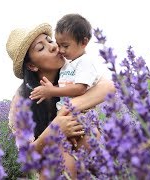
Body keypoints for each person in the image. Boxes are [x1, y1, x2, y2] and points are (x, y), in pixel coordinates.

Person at [6, 22, 115, 179]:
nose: (52, 47)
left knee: (89, 132)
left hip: (89, 161)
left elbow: (109, 86)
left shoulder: (74, 71)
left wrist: (67, 110)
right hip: (54, 168)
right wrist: (56, 129)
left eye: (49, 40)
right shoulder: (22, 99)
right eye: (40, 47)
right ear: (31, 65)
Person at [29, 13, 104, 111]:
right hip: (65, 112)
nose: (60, 50)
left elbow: (80, 89)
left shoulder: (84, 62)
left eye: (65, 46)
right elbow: (67, 84)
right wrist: (50, 89)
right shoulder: (68, 65)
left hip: (81, 113)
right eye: (59, 45)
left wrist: (52, 91)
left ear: (83, 42)